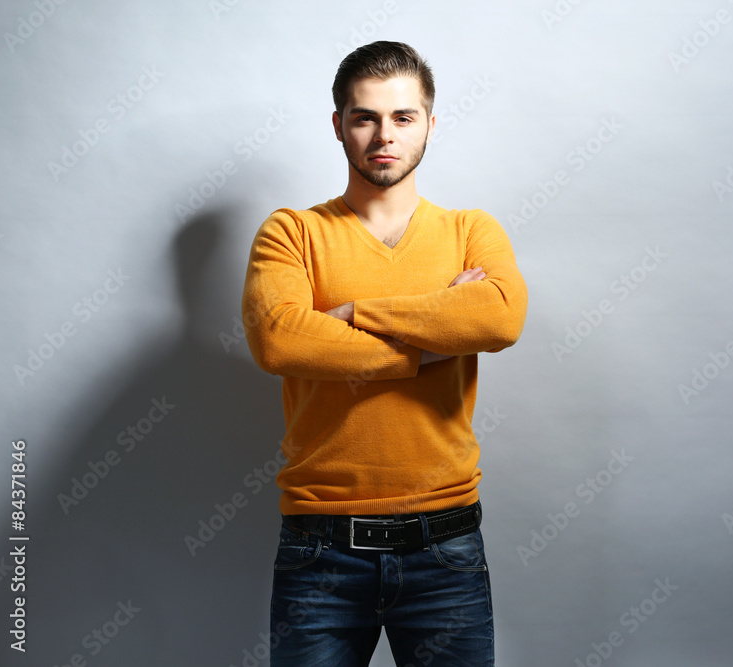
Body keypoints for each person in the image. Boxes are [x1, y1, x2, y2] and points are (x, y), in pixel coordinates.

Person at [241, 41, 527, 666]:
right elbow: (279, 337)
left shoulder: (470, 230)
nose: (383, 135)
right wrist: (429, 343)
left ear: (430, 123)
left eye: (403, 116)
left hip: (445, 545)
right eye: (365, 116)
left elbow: (500, 316)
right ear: (339, 124)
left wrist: (352, 317)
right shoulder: (293, 231)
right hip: (320, 547)